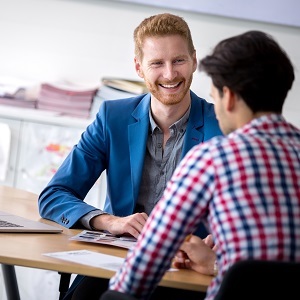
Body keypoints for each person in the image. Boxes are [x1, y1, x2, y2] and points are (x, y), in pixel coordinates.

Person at [102, 30, 300, 300]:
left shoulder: (213, 159)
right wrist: (217, 264)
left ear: (227, 97)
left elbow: (146, 261)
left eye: (214, 97)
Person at [38, 13, 222, 299]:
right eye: (157, 63)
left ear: (194, 60)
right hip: (115, 264)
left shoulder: (222, 127)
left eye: (179, 61)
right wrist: (111, 221)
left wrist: (217, 244)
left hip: (186, 273)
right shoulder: (112, 117)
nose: (170, 74)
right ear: (139, 67)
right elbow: (54, 195)